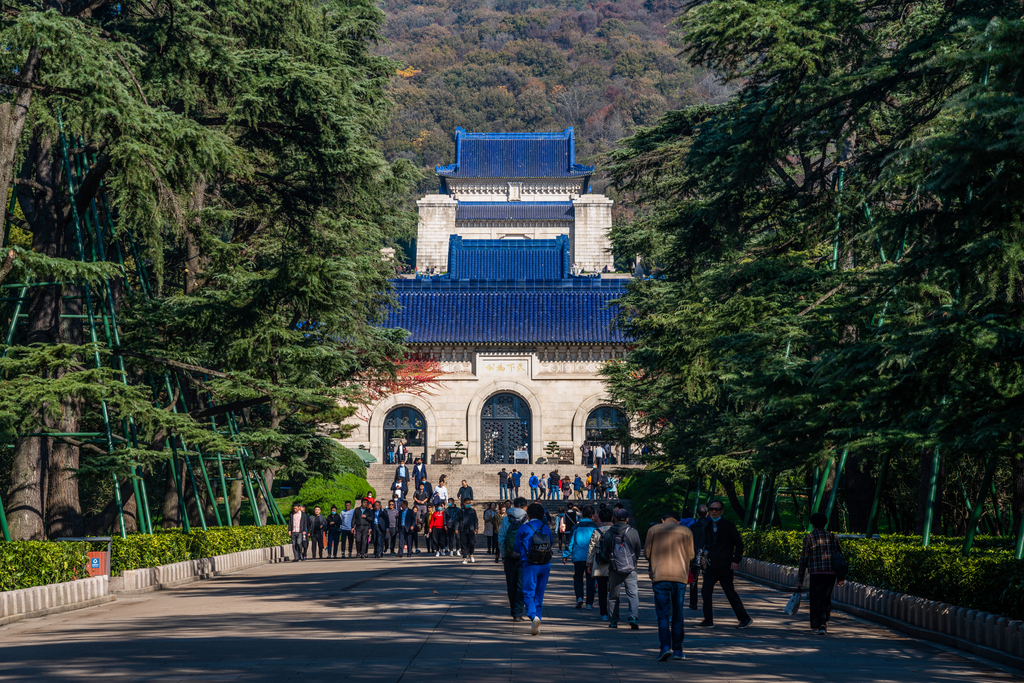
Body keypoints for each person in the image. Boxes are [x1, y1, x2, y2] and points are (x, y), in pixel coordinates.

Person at [646, 511, 695, 661]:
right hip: (680, 577)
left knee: (663, 614)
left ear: (663, 519)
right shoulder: (686, 531)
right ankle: (678, 650)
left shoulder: (653, 530)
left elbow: (647, 553)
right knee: (678, 614)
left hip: (660, 576)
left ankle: (665, 646)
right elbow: (691, 555)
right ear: (679, 521)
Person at [697, 501, 752, 629]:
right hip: (711, 565)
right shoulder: (707, 526)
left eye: (717, 509)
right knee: (705, 591)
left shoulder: (729, 525)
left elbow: (739, 543)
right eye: (711, 509)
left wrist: (735, 560)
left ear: (721, 511)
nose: (714, 512)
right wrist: (704, 557)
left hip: (725, 565)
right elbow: (706, 544)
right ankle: (708, 620)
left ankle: (744, 618)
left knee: (729, 592)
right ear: (708, 512)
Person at [798, 512, 846, 635]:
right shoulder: (833, 537)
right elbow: (839, 557)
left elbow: (803, 559)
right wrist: (841, 576)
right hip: (831, 573)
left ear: (812, 524)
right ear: (825, 523)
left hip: (816, 572)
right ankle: (824, 621)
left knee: (816, 598)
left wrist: (800, 578)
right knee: (826, 597)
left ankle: (820, 623)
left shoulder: (808, 538)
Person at [515, 503, 554, 635]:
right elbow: (551, 543)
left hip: (529, 563)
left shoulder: (524, 528)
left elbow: (516, 547)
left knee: (528, 591)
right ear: (542, 514)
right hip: (545, 563)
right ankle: (539, 617)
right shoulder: (546, 528)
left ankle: (533, 616)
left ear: (528, 515)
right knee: (540, 593)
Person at [602, 507, 642, 629]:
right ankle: (633, 617)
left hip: (614, 567)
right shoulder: (633, 532)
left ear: (614, 518)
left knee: (614, 595)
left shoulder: (609, 533)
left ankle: (614, 619)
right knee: (633, 593)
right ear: (627, 519)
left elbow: (605, 551)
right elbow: (638, 549)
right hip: (631, 568)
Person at [563, 504, 598, 610]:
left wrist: (566, 555)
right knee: (590, 580)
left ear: (582, 514)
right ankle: (589, 603)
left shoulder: (576, 527)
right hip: (591, 558)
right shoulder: (595, 528)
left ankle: (579, 598)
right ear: (592, 515)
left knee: (578, 578)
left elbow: (570, 542)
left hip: (578, 557)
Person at [498, 497, 528, 621]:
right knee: (521, 585)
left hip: (509, 556)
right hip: (523, 557)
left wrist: (503, 555)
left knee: (511, 584)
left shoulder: (506, 519)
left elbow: (501, 538)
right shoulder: (527, 519)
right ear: (525, 507)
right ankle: (518, 612)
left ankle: (513, 609)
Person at [587, 507, 614, 618]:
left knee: (602, 590)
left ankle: (604, 613)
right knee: (614, 591)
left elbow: (591, 549)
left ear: (601, 518)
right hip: (614, 564)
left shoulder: (597, 531)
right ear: (612, 517)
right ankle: (613, 613)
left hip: (600, 564)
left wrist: (589, 563)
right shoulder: (616, 530)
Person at [689, 505, 710, 610]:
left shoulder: (692, 527)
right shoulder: (710, 526)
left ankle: (693, 603)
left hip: (694, 555)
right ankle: (706, 602)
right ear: (707, 514)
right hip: (707, 556)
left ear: (697, 514)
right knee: (707, 581)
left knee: (693, 581)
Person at [460, 498, 479, 563]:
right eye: (467, 503)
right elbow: (457, 520)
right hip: (463, 529)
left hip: (471, 529)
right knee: (464, 544)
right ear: (464, 503)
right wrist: (456, 528)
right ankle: (465, 557)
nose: (468, 505)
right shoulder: (461, 511)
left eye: (469, 503)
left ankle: (471, 554)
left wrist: (476, 528)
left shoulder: (473, 511)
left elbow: (475, 520)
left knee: (472, 543)